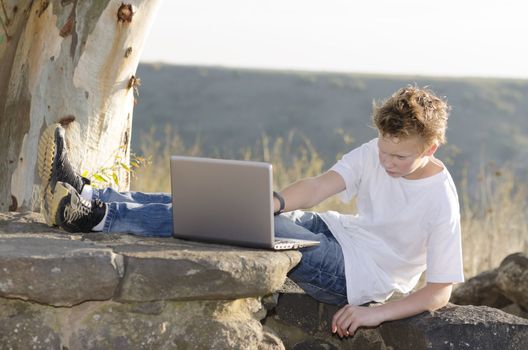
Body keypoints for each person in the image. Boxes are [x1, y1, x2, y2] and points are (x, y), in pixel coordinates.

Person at [39, 86, 463, 338]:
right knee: (236, 204)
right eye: (385, 151)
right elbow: (318, 187)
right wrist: (275, 202)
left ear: (431, 147)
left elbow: (439, 290)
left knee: (236, 221)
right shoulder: (378, 150)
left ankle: (93, 218)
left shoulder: (439, 199)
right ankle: (90, 193)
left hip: (357, 276)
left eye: (401, 158)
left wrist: (375, 313)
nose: (388, 163)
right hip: (338, 234)